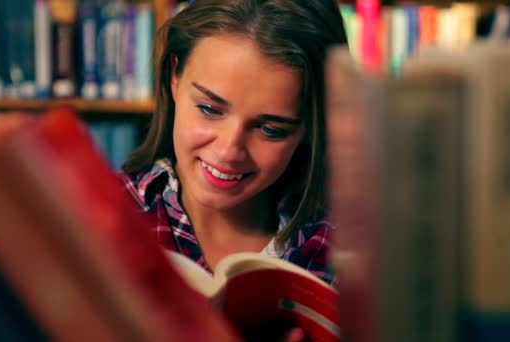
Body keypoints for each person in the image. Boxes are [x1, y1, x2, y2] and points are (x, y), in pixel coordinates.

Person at [122, 0, 347, 286]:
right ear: (174, 77)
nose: (229, 151)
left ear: (310, 128)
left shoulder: (345, 254)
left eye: (270, 129)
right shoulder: (102, 216)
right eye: (209, 109)